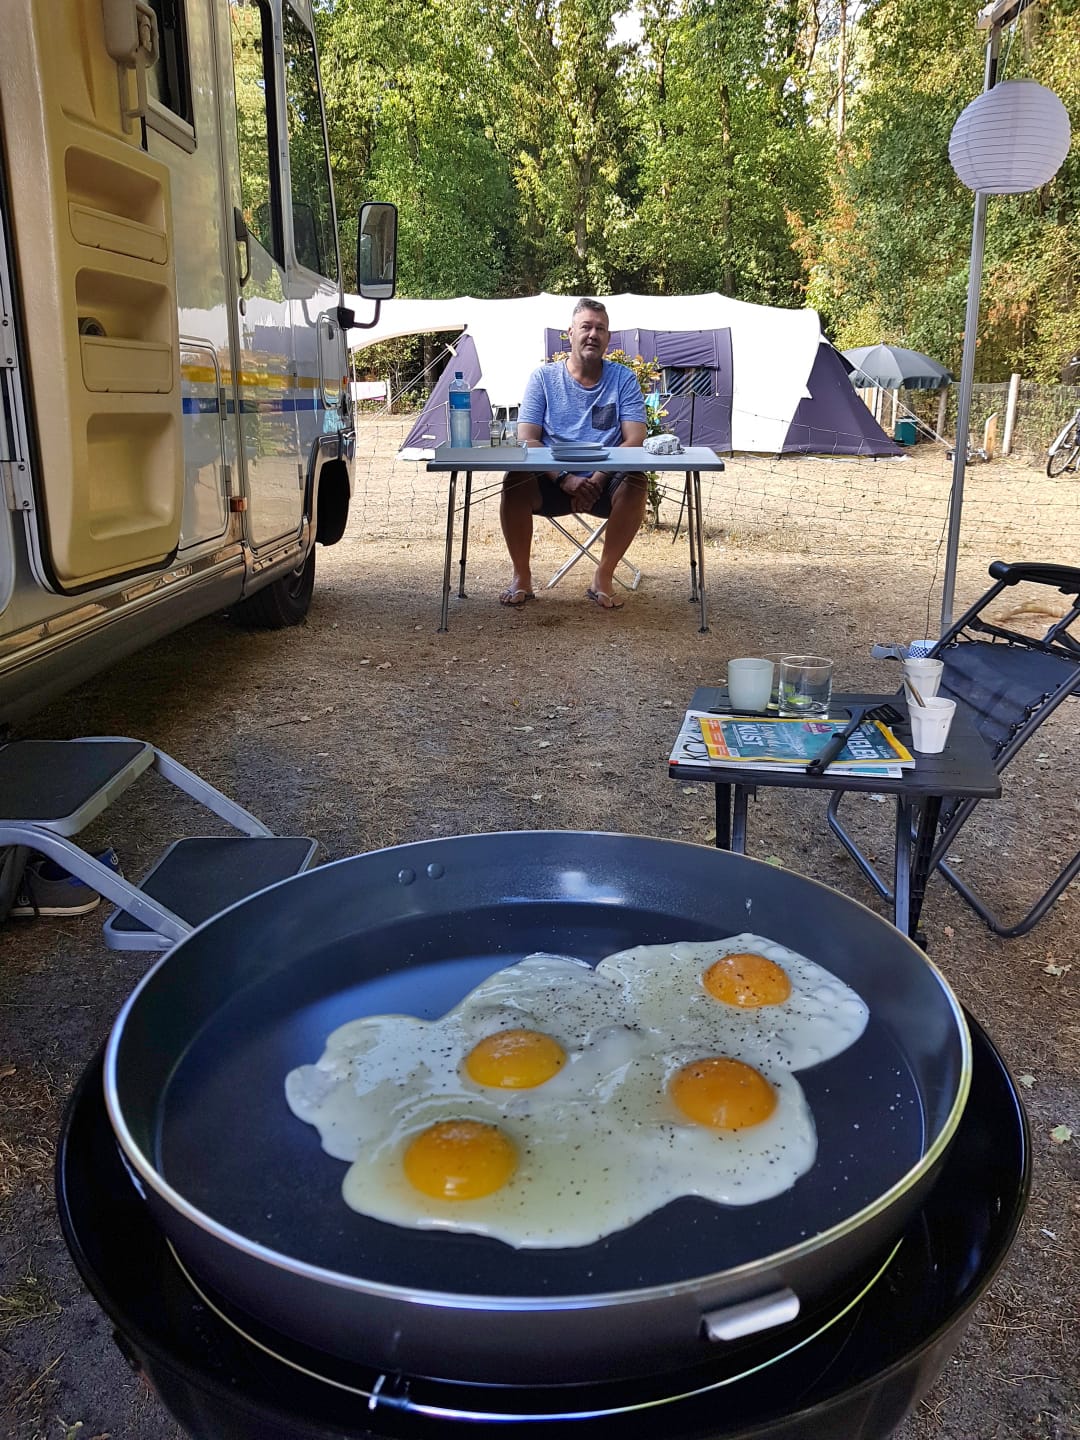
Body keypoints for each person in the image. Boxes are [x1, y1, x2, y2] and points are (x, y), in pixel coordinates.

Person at [500, 298, 647, 610]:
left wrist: (598, 477)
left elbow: (635, 438)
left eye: (600, 329)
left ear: (608, 337)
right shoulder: (543, 379)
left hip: (605, 484)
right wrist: (565, 479)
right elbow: (528, 439)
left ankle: (602, 576)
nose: (593, 334)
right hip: (552, 482)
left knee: (636, 482)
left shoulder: (624, 379)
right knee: (514, 480)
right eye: (586, 327)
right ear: (570, 333)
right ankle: (522, 577)